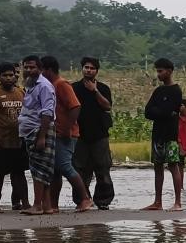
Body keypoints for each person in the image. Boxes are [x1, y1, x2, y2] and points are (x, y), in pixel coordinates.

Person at [41, 56, 93, 213]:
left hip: (66, 134)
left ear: (48, 70)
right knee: (55, 170)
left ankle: (85, 198)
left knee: (64, 166)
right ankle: (54, 205)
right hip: (56, 132)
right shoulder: (51, 85)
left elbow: (75, 107)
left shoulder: (61, 84)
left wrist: (66, 129)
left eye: (41, 70)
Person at [0, 63, 29, 213]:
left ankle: (24, 203)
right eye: (5, 75)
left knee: (19, 173)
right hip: (2, 142)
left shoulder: (21, 92)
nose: (9, 78)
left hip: (19, 141)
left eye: (11, 75)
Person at [72, 56, 115, 210]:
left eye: (92, 68)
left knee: (103, 169)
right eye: (86, 67)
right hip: (79, 135)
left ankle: (103, 201)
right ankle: (82, 199)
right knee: (80, 169)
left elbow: (107, 106)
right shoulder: (74, 88)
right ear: (82, 68)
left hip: (99, 134)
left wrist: (95, 91)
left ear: (97, 71)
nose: (88, 70)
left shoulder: (103, 88)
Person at [17, 55, 56, 215]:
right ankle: (46, 206)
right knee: (40, 169)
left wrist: (41, 136)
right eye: (26, 67)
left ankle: (37, 205)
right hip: (30, 130)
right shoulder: (30, 85)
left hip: (40, 130)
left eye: (32, 67)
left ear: (40, 69)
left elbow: (47, 112)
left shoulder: (44, 86)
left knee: (39, 170)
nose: (28, 70)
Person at [143, 58, 183, 211]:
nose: (158, 74)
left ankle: (177, 202)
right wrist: (163, 112)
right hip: (157, 134)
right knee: (157, 167)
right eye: (157, 71)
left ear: (169, 71)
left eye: (161, 71)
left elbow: (169, 112)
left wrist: (160, 112)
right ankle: (157, 202)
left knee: (173, 166)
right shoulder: (158, 91)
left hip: (171, 135)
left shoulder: (176, 91)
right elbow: (148, 112)